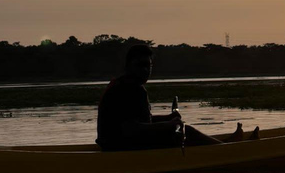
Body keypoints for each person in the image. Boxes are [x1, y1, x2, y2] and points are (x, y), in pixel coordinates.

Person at [97, 44, 256, 151]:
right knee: (186, 132)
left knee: (180, 130)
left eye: (148, 66)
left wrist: (167, 118)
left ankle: (226, 145)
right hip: (119, 147)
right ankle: (228, 150)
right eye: (140, 65)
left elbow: (140, 121)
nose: (145, 70)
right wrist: (169, 125)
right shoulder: (130, 89)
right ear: (128, 66)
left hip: (117, 143)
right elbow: (131, 128)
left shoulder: (125, 85)